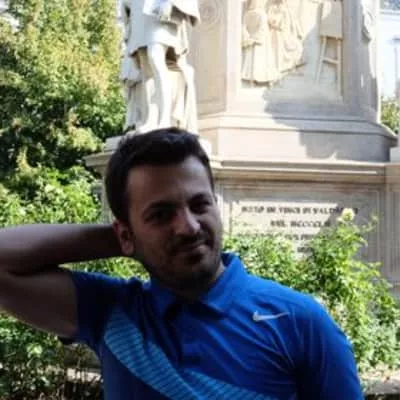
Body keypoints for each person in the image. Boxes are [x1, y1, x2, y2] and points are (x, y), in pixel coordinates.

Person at [0, 128, 364, 399]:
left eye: (200, 205)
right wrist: (126, 239)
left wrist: (147, 233)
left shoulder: (298, 321)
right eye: (161, 214)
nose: (189, 227)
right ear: (125, 234)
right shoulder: (111, 312)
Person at [120, 0, 200, 133]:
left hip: (158, 9)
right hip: (139, 11)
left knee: (156, 58)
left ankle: (164, 119)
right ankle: (151, 119)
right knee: (146, 69)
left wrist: (170, 3)